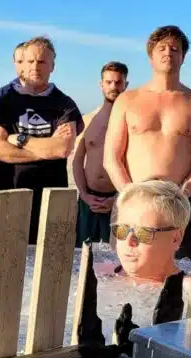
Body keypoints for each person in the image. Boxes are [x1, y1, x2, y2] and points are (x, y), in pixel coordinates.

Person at [103, 25, 191, 260]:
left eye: (175, 49)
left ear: (183, 57)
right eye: (161, 48)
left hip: (177, 201)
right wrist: (131, 195)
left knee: (176, 267)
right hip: (132, 198)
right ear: (150, 56)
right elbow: (111, 158)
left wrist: (180, 196)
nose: (168, 53)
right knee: (127, 265)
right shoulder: (127, 100)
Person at [0, 36, 83, 244]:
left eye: (42, 61)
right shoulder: (6, 102)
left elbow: (62, 149)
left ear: (52, 66)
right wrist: (45, 151)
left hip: (50, 200)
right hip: (9, 194)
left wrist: (19, 139)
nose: (35, 66)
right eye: (30, 61)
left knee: (49, 256)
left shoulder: (64, 104)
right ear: (22, 64)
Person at [73, 61, 129, 245]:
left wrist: (119, 198)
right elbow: (77, 160)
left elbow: (136, 164)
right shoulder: (88, 120)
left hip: (119, 198)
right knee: (82, 252)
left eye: (118, 82)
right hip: (88, 199)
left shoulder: (132, 121)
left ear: (126, 84)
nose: (113, 87)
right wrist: (84, 194)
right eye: (109, 82)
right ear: (101, 84)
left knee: (116, 253)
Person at [110, 180, 190, 285]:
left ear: (175, 239)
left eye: (143, 232)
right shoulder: (99, 273)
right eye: (121, 230)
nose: (129, 241)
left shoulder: (188, 289)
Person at [0, 42, 26, 111]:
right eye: (20, 62)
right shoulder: (0, 95)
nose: (24, 66)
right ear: (14, 62)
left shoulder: (46, 94)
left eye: (28, 61)